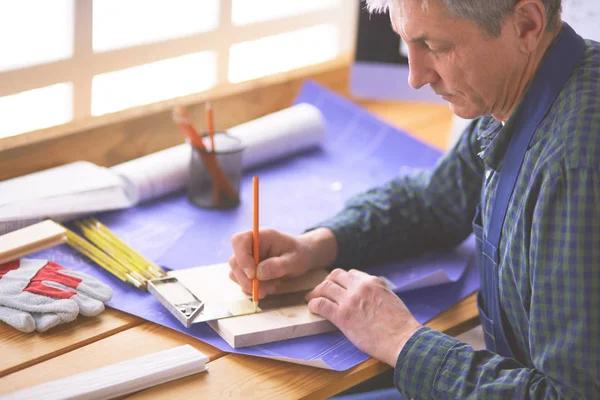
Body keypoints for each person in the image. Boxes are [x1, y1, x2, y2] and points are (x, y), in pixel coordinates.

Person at [229, 0, 600, 398]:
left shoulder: (573, 168)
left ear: (526, 24)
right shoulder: (524, 91)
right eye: (408, 44)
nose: (415, 78)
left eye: (435, 47)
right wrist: (316, 245)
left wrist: (401, 339)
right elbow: (437, 202)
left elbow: (569, 394)